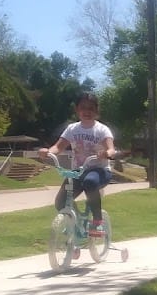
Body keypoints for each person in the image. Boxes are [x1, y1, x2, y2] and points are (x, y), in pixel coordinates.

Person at [38, 93, 118, 236]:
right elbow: (58, 147)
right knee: (61, 202)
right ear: (77, 110)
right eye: (83, 108)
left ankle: (97, 222)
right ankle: (74, 225)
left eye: (91, 108)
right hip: (79, 171)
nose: (87, 111)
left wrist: (107, 153)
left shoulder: (101, 129)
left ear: (97, 111)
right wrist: (47, 152)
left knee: (90, 181)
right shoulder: (72, 129)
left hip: (99, 171)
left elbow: (111, 148)